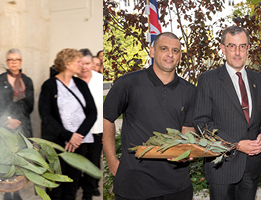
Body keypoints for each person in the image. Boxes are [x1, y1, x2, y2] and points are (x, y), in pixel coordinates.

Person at [103, 32, 198, 200]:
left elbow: (188, 128)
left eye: (175, 50)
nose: (170, 54)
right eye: (164, 48)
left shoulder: (190, 91)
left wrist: (186, 150)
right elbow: (106, 118)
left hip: (177, 186)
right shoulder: (128, 83)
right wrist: (112, 161)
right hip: (134, 185)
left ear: (180, 56)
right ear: (152, 51)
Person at [191, 26, 261, 200]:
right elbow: (201, 123)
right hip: (222, 166)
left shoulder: (259, 80)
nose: (237, 52)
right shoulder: (208, 80)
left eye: (242, 46)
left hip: (251, 166)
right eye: (231, 46)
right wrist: (235, 144)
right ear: (223, 48)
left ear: (248, 48)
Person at [38, 48, 98, 200]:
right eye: (77, 62)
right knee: (55, 183)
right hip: (57, 144)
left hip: (79, 143)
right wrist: (68, 136)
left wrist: (78, 136)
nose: (81, 65)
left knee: (72, 182)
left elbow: (92, 113)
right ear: (66, 63)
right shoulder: (49, 85)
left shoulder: (80, 84)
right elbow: (45, 116)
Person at [0, 48, 35, 200]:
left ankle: (16, 191)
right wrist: (8, 119)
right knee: (6, 158)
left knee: (20, 159)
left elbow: (30, 104)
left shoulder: (27, 80)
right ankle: (6, 192)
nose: (14, 62)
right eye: (11, 60)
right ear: (7, 62)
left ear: (20, 62)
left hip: (22, 125)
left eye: (17, 60)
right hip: (5, 125)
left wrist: (18, 120)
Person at [78, 49, 105, 200]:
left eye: (87, 63)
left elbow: (106, 109)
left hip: (96, 131)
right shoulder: (71, 80)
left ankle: (87, 195)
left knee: (92, 164)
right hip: (76, 133)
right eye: (80, 63)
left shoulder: (100, 80)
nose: (84, 67)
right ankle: (74, 189)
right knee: (75, 165)